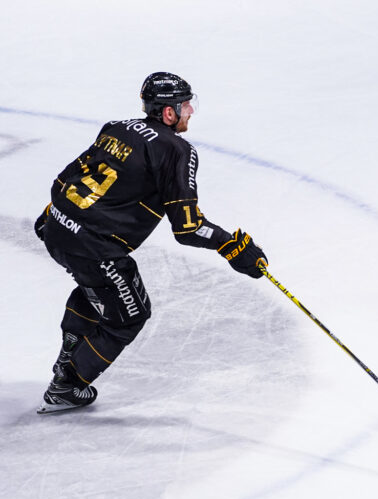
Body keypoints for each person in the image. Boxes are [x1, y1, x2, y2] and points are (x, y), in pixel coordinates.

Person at [33, 72, 268, 413]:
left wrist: (52, 213)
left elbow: (68, 176)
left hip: (58, 228)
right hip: (95, 247)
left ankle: (70, 351)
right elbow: (187, 228)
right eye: (185, 105)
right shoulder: (176, 150)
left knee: (97, 288)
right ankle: (67, 385)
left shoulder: (116, 128)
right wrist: (231, 246)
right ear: (169, 112)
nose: (190, 111)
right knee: (130, 315)